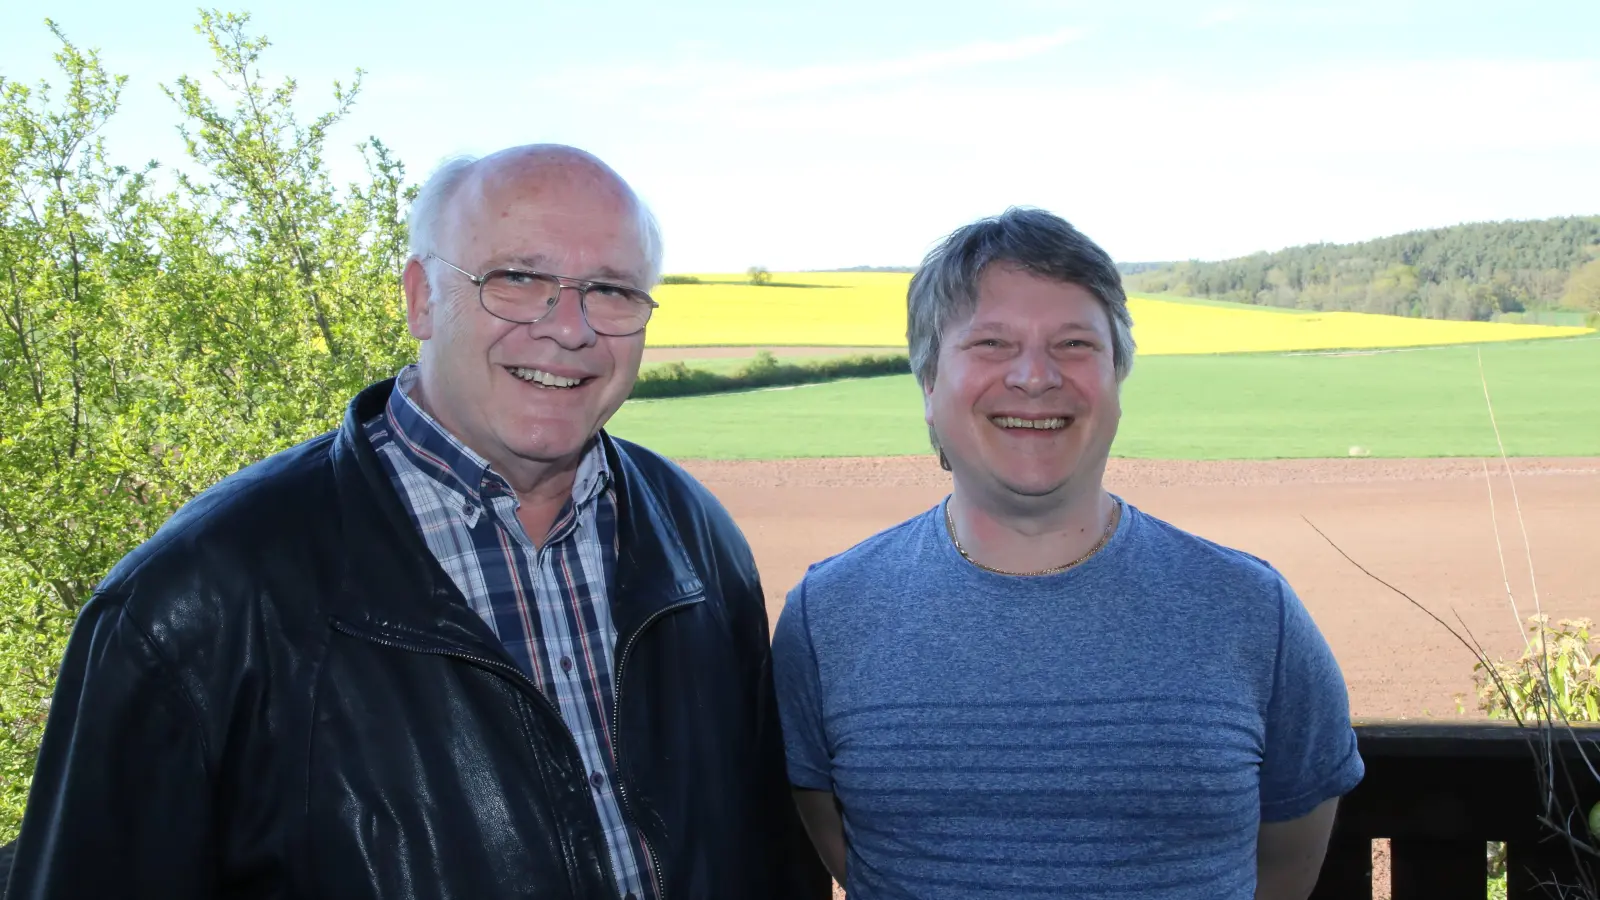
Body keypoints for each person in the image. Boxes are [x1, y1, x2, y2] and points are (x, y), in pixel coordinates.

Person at [6, 144, 830, 900]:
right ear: (420, 297)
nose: (568, 327)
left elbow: (770, 852)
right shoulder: (194, 598)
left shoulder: (694, 538)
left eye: (610, 290)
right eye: (517, 278)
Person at [771, 206, 1364, 900]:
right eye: (991, 342)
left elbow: (1287, 865)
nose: (1033, 376)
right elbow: (838, 842)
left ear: (1117, 382)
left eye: (1074, 344)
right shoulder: (827, 618)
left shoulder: (1255, 615)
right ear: (929, 386)